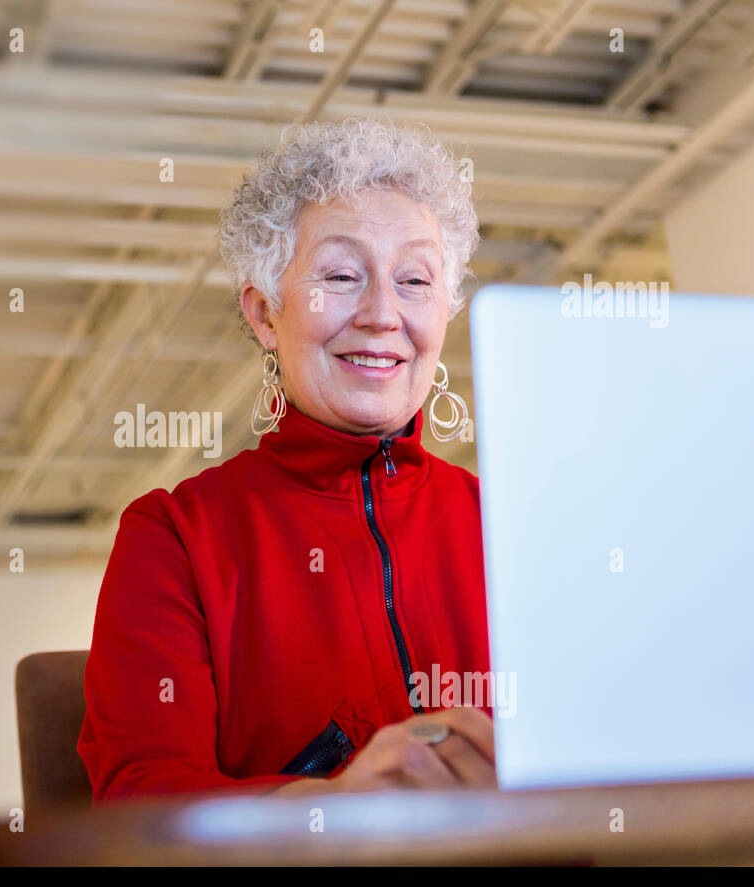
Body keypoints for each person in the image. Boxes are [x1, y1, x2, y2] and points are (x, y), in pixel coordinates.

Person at [79, 118, 496, 802]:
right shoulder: (176, 537)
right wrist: (337, 806)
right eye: (340, 274)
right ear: (266, 314)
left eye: (414, 280)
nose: (382, 314)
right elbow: (140, 797)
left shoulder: (512, 524)